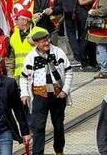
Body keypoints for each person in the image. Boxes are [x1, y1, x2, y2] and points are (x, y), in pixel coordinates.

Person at [19, 27, 71, 155]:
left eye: (47, 40)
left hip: (58, 95)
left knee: (58, 125)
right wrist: (24, 93)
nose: (46, 43)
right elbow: (24, 77)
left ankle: (59, 151)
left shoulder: (58, 52)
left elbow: (69, 71)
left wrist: (65, 90)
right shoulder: (31, 57)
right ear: (36, 43)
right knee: (38, 127)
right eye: (42, 41)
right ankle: (37, 153)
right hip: (40, 95)